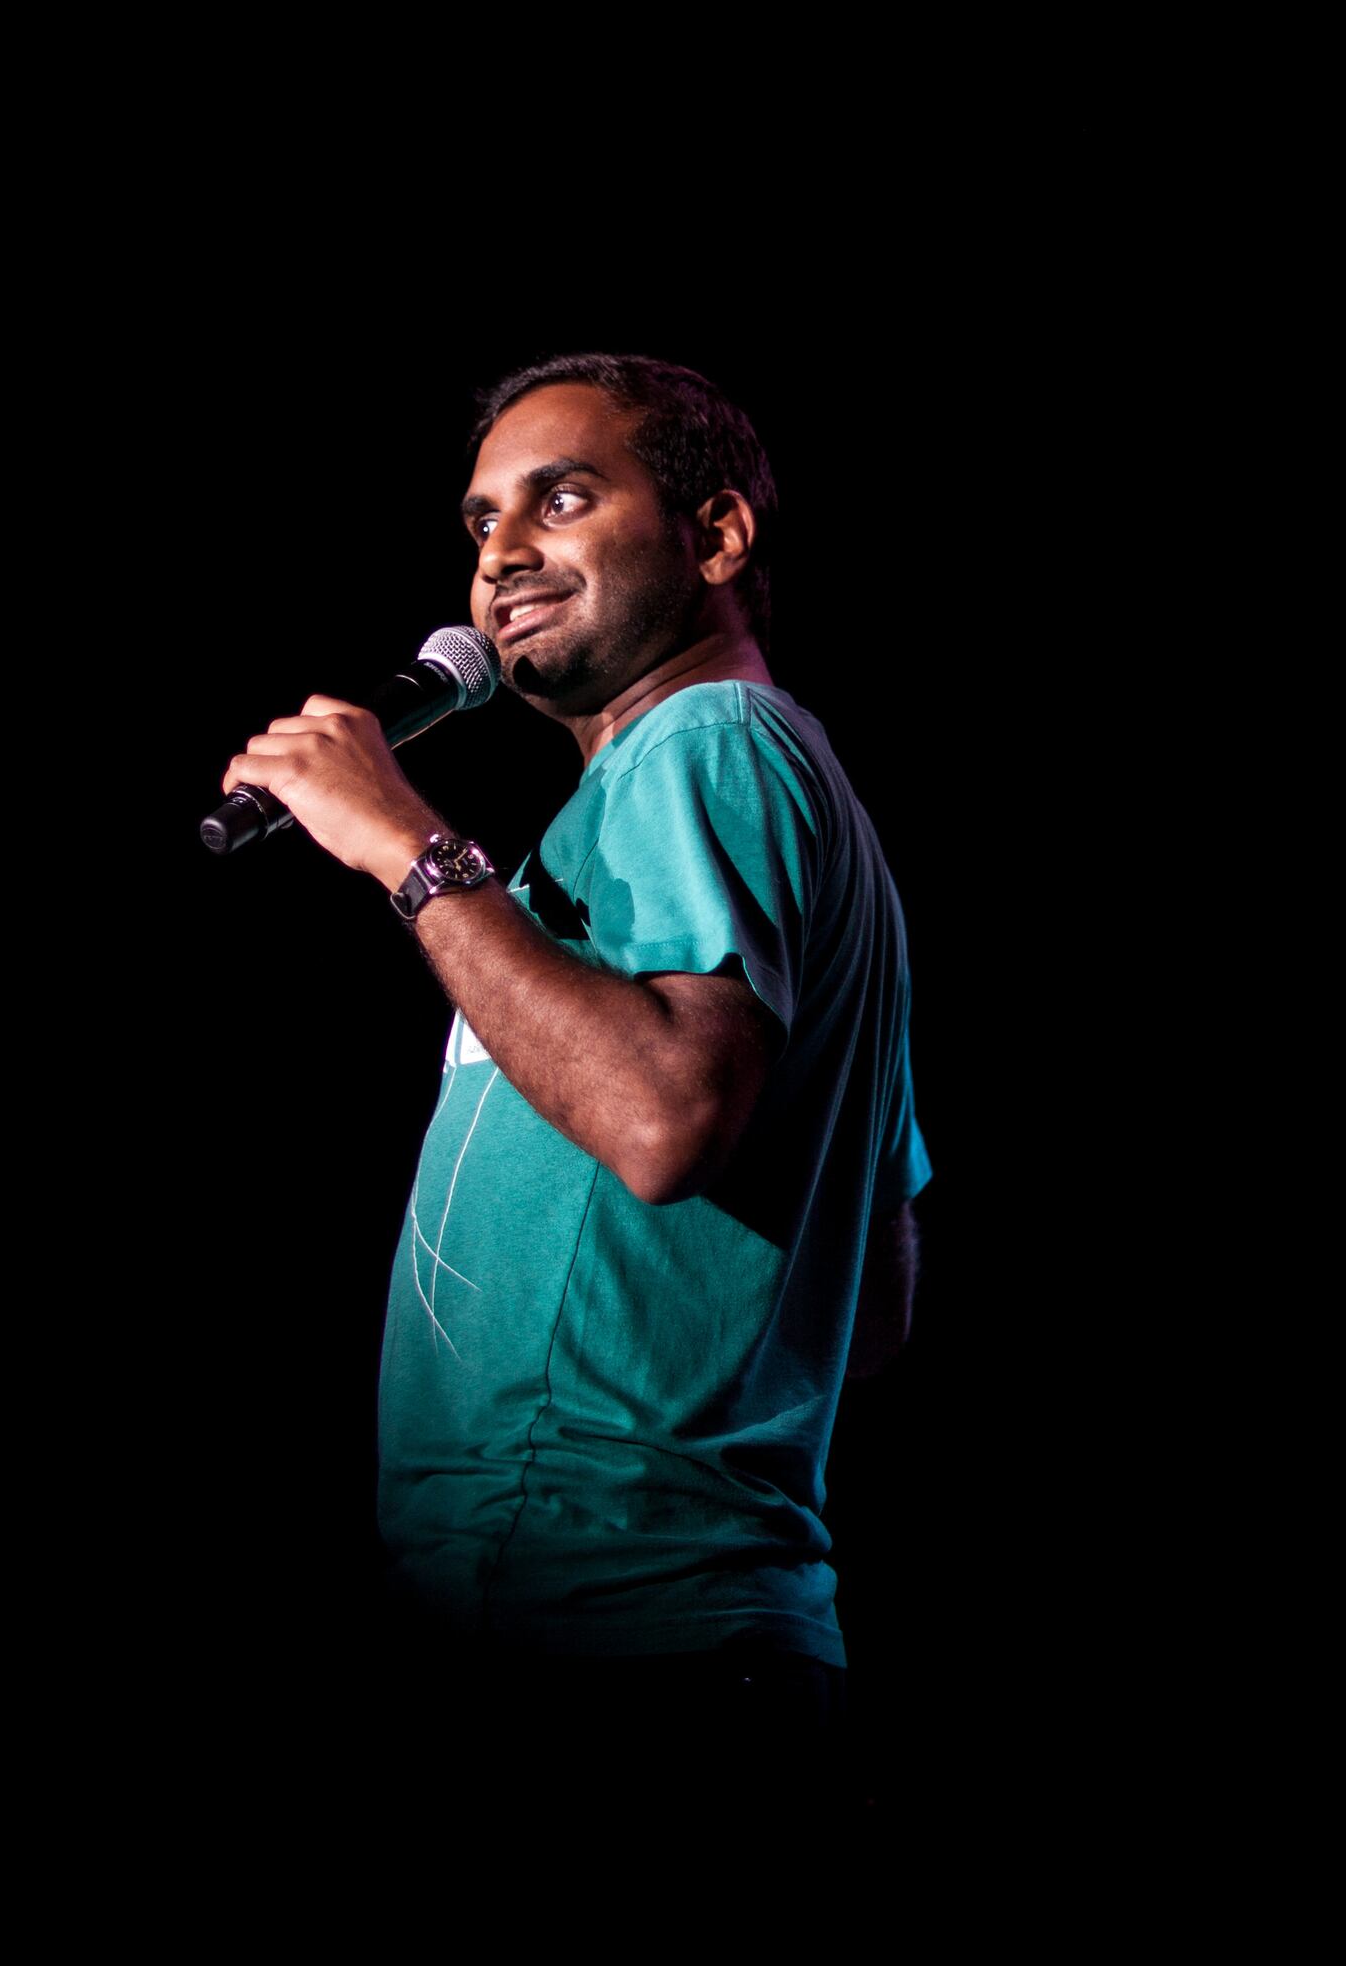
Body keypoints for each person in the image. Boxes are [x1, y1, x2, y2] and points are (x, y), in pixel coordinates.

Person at [215, 353, 928, 1761]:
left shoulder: (705, 743)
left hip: (598, 1639)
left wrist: (403, 845)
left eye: (565, 497)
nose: (504, 554)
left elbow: (664, 1121)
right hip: (667, 1627)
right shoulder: (721, 793)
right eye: (482, 521)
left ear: (715, 536)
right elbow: (879, 1288)